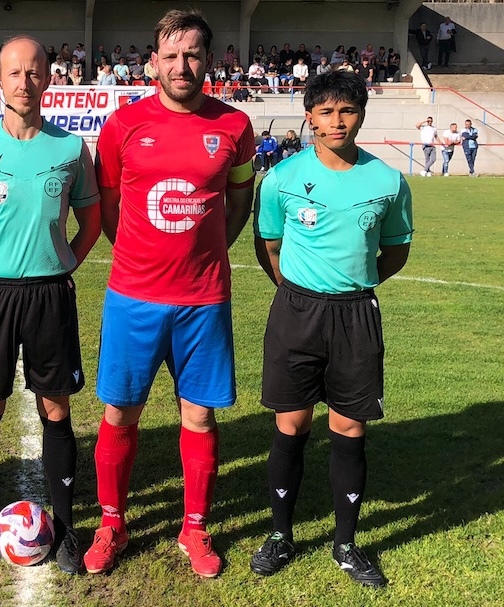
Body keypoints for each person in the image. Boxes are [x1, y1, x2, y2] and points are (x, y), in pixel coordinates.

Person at [82, 9, 255, 579]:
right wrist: (140, 255)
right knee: (120, 411)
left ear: (209, 60)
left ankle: (195, 528)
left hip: (204, 300)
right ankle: (113, 523)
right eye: (172, 55)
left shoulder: (235, 126)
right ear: (153, 61)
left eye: (194, 55)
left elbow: (237, 204)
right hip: (134, 295)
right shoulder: (122, 125)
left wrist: (208, 253)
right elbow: (109, 206)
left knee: (199, 417)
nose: (183, 66)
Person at [0, 35, 101, 577]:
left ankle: (66, 529)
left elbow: (92, 221)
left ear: (49, 79)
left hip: (51, 295)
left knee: (56, 409)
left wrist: (63, 266)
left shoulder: (71, 149)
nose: (24, 81)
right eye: (14, 72)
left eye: (35, 72)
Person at [251, 69, 413, 589]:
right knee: (291, 426)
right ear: (310, 117)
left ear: (360, 114)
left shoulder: (388, 181)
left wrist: (354, 286)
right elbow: (269, 246)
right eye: (326, 111)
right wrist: (299, 291)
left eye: (347, 111)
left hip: (356, 316)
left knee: (349, 428)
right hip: (296, 312)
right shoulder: (280, 179)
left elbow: (396, 250)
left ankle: (345, 545)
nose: (337, 121)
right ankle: (281, 535)